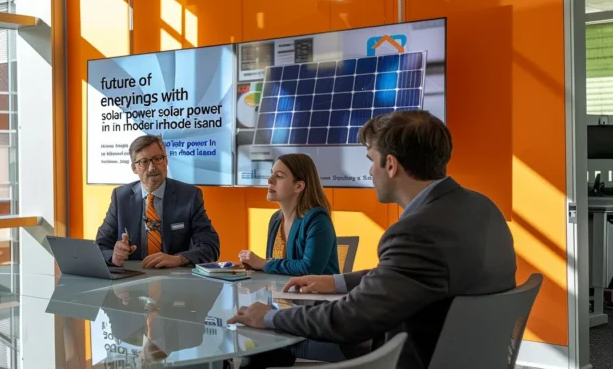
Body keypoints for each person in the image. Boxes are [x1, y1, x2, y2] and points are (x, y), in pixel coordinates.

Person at [227, 110, 517, 369]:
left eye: (371, 161)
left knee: (264, 340)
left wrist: (269, 318)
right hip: (470, 355)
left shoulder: (417, 231)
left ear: (390, 165)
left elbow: (349, 320)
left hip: (409, 357)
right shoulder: (481, 207)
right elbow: (405, 272)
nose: (369, 171)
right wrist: (336, 281)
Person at [95, 134, 220, 268]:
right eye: (144, 162)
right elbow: (100, 247)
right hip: (131, 280)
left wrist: (179, 259)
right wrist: (114, 256)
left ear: (166, 161)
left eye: (157, 159)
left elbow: (210, 246)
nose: (152, 167)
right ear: (134, 168)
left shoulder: (189, 196)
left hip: (176, 280)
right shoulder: (121, 197)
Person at [238, 153, 339, 276]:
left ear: (298, 186)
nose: (269, 180)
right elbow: (274, 268)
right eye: (271, 174)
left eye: (279, 176)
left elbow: (309, 268)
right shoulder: (276, 219)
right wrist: (254, 266)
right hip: (283, 292)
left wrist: (263, 264)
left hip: (316, 294)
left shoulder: (317, 220)